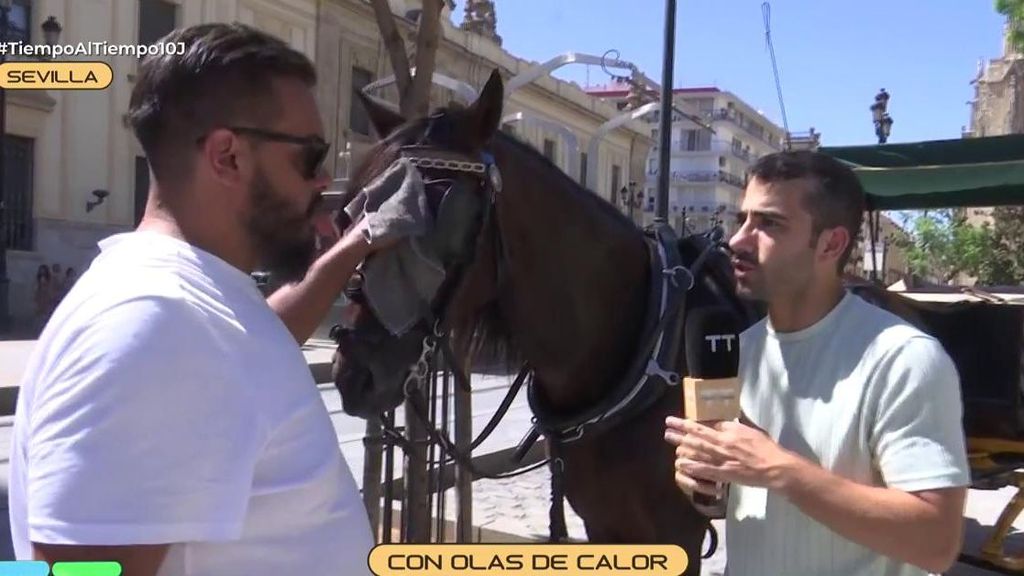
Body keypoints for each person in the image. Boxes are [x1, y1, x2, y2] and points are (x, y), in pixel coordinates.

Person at [9, 23, 398, 576]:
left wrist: (355, 245)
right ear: (227, 156)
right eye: (311, 158)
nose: (321, 184)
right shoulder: (156, 321)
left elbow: (252, 345)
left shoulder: (195, 311)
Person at [664, 151, 970, 576]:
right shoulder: (742, 351)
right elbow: (754, 503)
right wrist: (710, 481)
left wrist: (776, 468)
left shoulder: (903, 358)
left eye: (769, 223)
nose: (737, 241)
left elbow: (936, 543)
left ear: (831, 244)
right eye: (742, 220)